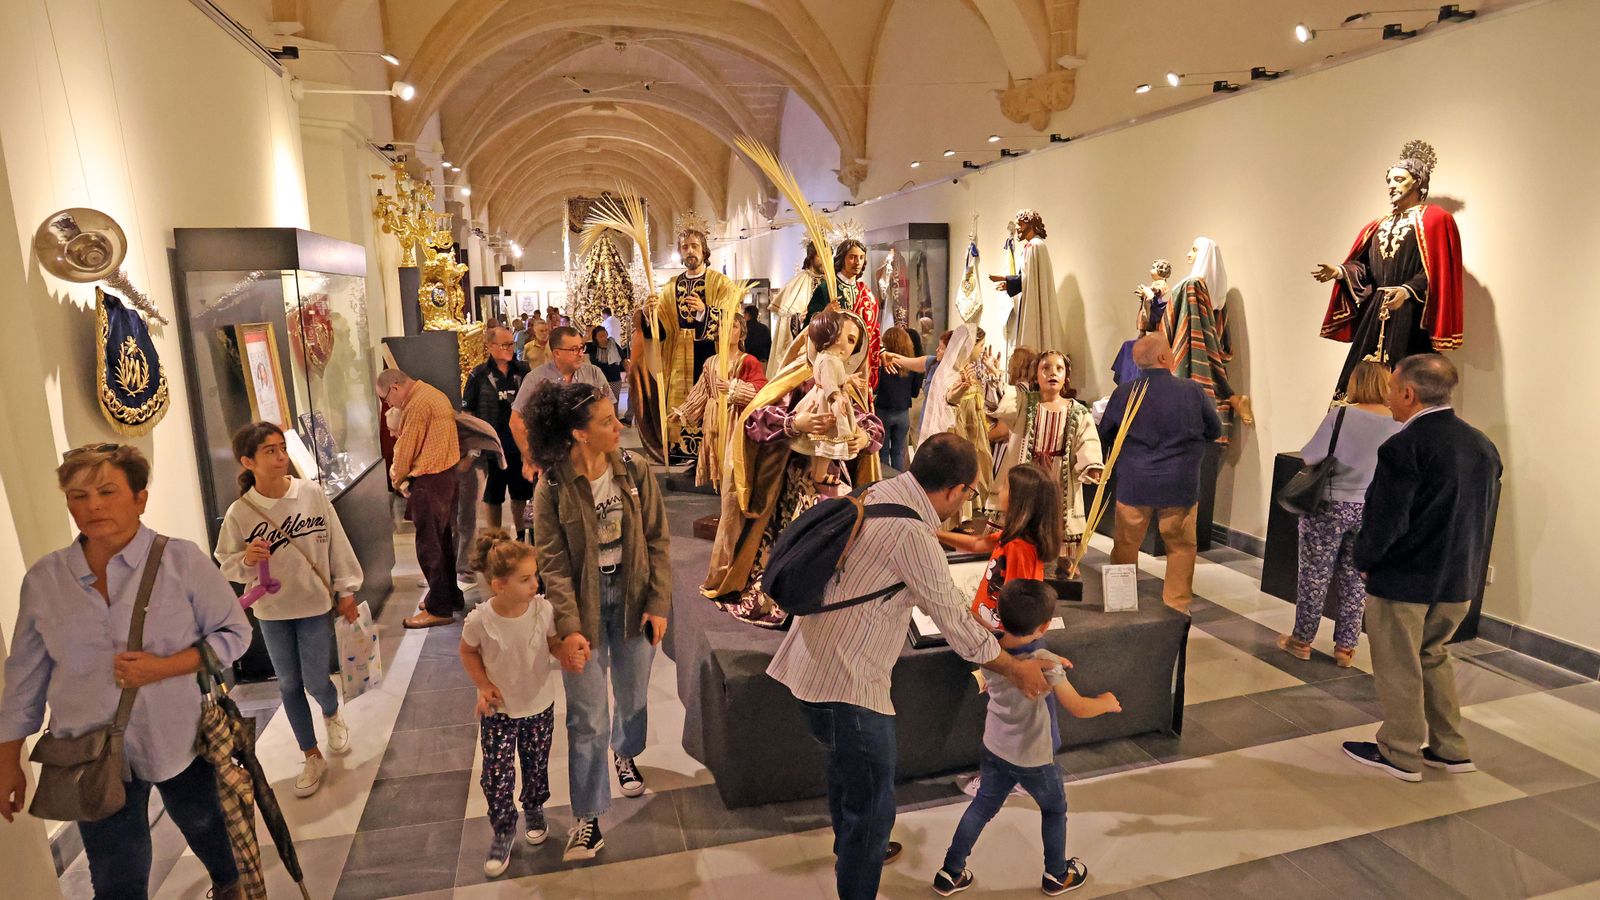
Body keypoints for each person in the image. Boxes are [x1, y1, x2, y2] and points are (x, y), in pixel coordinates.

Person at [766, 433, 1058, 900]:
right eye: (967, 492)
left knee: (847, 773)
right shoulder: (913, 535)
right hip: (848, 683)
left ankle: (854, 844)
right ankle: (859, 867)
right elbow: (959, 630)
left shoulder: (878, 491)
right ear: (952, 489)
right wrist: (1014, 668)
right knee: (875, 805)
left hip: (807, 664)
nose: (966, 502)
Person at [0, 443, 250, 899]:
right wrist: (7, 759)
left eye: (106, 491)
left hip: (181, 736)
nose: (92, 505)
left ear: (140, 498)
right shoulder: (45, 580)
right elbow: (24, 678)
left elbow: (234, 633)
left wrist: (166, 667)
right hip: (89, 753)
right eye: (78, 496)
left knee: (204, 821)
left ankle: (228, 884)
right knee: (117, 874)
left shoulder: (182, 561)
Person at [526, 381, 672, 862]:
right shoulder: (551, 487)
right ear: (579, 434)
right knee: (587, 715)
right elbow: (552, 565)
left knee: (632, 697)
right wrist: (568, 628)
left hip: (633, 599)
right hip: (583, 607)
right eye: (608, 421)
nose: (619, 427)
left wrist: (658, 602)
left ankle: (625, 751)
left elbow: (657, 540)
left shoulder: (633, 470)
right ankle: (588, 817)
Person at [1342, 354, 1500, 781]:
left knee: (1398, 663)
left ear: (1408, 393)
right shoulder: (1482, 445)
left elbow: (1387, 518)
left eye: (1393, 389)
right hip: (1457, 578)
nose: (1390, 397)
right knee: (1434, 656)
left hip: (1406, 579)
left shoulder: (1404, 445)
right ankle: (1451, 749)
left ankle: (1400, 750)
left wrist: (1365, 561)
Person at [933, 580, 1119, 897]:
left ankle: (950, 871)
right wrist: (1106, 702)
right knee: (1054, 809)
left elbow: (994, 635)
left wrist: (1052, 659)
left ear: (999, 615)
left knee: (981, 808)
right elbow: (1077, 707)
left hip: (995, 748)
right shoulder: (1043, 660)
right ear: (1045, 625)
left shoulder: (990, 647)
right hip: (1034, 758)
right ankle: (1057, 874)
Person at [701, 311, 883, 628]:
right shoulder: (798, 378)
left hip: (835, 475)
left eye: (853, 340)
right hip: (796, 478)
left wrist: (863, 437)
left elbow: (869, 423)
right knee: (801, 532)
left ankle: (833, 598)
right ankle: (793, 596)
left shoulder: (847, 385)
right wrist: (794, 424)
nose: (845, 345)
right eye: (842, 336)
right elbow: (756, 420)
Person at [217, 422, 362, 798]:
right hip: (271, 610)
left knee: (316, 680)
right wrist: (246, 560)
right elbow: (225, 562)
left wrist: (346, 590)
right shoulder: (240, 512)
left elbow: (337, 546)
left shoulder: (311, 494)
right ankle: (310, 754)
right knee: (288, 684)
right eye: (270, 451)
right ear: (247, 461)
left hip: (314, 604)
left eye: (282, 449)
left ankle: (331, 713)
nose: (281, 457)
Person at [1315, 140, 1465, 396]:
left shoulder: (1436, 220)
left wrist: (1408, 291)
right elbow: (1366, 269)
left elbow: (1438, 270)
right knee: (1361, 379)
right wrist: (1341, 271)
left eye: (1398, 179)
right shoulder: (1378, 225)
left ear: (1417, 181)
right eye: (1389, 181)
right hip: (1377, 312)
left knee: (1407, 377)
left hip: (1410, 314)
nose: (1391, 186)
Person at [1277, 362, 1401, 667]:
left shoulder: (1341, 415)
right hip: (1369, 509)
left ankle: (1302, 641)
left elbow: (1311, 455)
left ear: (1356, 383)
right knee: (1356, 579)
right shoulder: (1398, 424)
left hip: (1328, 506)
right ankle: (1346, 648)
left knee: (1314, 575)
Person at [461, 529, 560, 877]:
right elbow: (467, 651)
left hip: (538, 706)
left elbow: (554, 644)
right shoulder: (480, 620)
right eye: (525, 579)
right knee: (497, 774)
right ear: (498, 585)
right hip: (499, 712)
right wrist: (483, 684)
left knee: (535, 766)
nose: (535, 584)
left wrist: (571, 651)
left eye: (535, 576)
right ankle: (503, 830)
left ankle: (534, 808)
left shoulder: (543, 610)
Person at [1099, 334, 1223, 612]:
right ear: (1165, 358)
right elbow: (1215, 430)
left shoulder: (1125, 392)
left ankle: (1121, 603)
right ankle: (1176, 607)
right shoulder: (1192, 390)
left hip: (1135, 483)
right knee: (1180, 548)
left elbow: (1105, 434)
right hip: (1180, 485)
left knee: (1125, 546)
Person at [632, 221, 740, 465]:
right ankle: (685, 455)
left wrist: (705, 312)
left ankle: (711, 456)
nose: (689, 251)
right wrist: (649, 314)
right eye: (684, 247)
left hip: (708, 351)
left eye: (694, 246)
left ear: (704, 251)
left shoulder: (721, 283)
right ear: (680, 253)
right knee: (681, 404)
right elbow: (660, 330)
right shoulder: (671, 286)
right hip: (678, 354)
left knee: (709, 402)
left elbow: (732, 319)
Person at [989, 351, 1105, 559]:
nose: (1053, 373)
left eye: (1059, 369)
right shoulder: (1024, 402)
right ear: (1036, 375)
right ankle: (1017, 555)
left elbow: (1087, 440)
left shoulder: (1078, 411)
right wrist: (996, 375)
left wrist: (1092, 464)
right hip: (1028, 474)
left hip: (1058, 476)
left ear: (1066, 377)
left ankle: (1060, 559)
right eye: (1046, 368)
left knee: (1056, 515)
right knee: (1024, 513)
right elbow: (1004, 401)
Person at [380, 368, 465, 628]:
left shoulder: (417, 405)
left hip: (430, 481)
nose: (388, 405)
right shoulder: (433, 394)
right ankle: (449, 596)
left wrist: (396, 478)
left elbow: (405, 450)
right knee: (443, 542)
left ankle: (439, 608)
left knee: (430, 547)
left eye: (386, 398)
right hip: (446, 478)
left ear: (394, 387)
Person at [939, 462, 1062, 631]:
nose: (1000, 491)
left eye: (1005, 487)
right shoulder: (1013, 537)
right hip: (988, 624)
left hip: (999, 631)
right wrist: (936, 534)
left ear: (1019, 499)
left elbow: (1018, 601)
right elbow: (977, 544)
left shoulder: (1019, 548)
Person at [669, 314, 768, 487]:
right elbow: (701, 391)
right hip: (714, 419)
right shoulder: (711, 362)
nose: (728, 330)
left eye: (734, 327)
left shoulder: (748, 361)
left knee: (734, 465)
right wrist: (682, 411)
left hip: (735, 418)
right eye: (724, 326)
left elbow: (761, 391)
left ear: (742, 334)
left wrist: (734, 389)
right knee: (719, 465)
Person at [1163, 237, 1254, 428]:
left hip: (1192, 345)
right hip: (1210, 353)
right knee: (1209, 391)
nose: (1189, 254)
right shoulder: (1217, 299)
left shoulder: (1192, 285)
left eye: (1194, 250)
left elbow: (1179, 323)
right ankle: (1232, 398)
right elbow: (1221, 337)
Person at [510, 325, 611, 482]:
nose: (580, 354)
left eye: (581, 347)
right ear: (557, 353)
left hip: (589, 459)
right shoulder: (536, 379)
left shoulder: (593, 373)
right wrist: (531, 458)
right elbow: (516, 421)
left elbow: (608, 413)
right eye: (573, 349)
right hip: (552, 461)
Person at [463, 325, 534, 533]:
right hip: (492, 447)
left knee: (521, 493)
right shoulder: (479, 375)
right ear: (490, 346)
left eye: (511, 344)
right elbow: (468, 411)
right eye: (504, 345)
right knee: (493, 494)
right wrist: (474, 445)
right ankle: (495, 538)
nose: (509, 348)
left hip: (519, 444)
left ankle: (521, 534)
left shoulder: (523, 371)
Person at [806, 238, 883, 389]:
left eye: (861, 257)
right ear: (842, 259)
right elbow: (808, 323)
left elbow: (873, 328)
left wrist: (882, 351)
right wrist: (824, 313)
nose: (857, 262)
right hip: (833, 358)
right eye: (852, 257)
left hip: (859, 360)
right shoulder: (826, 288)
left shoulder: (866, 293)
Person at [990, 209, 1063, 355]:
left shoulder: (1035, 246)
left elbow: (1031, 279)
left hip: (1034, 303)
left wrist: (1006, 278)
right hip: (1029, 299)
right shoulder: (1030, 246)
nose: (1018, 228)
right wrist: (1011, 284)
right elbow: (1029, 279)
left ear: (1030, 224)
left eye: (1020, 224)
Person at [769, 239, 825, 374]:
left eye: (827, 255)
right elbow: (785, 321)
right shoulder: (796, 283)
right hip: (801, 346)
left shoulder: (830, 284)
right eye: (820, 255)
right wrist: (798, 318)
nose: (824, 259)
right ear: (811, 257)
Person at [875, 326, 922, 471]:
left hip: (882, 412)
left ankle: (883, 486)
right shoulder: (911, 365)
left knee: (882, 452)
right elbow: (914, 393)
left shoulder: (881, 365)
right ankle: (899, 485)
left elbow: (875, 388)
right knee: (898, 452)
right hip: (902, 414)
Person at [587, 324, 627, 401]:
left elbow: (623, 358)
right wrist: (588, 335)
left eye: (604, 335)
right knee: (601, 402)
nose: (603, 338)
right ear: (595, 337)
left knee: (615, 401)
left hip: (614, 379)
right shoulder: (592, 347)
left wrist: (628, 371)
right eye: (600, 336)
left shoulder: (613, 344)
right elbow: (581, 344)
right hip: (598, 380)